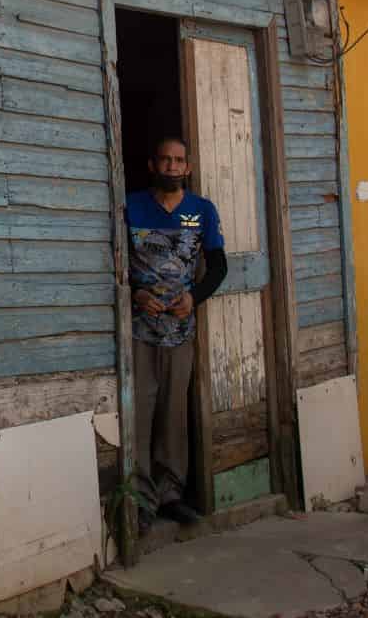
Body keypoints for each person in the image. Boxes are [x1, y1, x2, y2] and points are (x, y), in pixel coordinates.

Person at [126, 136, 228, 530]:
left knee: (173, 412)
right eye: (165, 159)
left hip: (180, 330)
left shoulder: (201, 211)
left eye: (179, 160)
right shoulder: (131, 206)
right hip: (138, 329)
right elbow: (114, 260)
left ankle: (170, 495)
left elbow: (218, 266)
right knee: (140, 413)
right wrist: (134, 293)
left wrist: (194, 297)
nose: (172, 166)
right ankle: (139, 501)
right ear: (153, 165)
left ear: (188, 168)